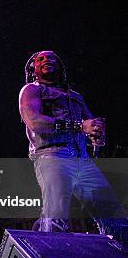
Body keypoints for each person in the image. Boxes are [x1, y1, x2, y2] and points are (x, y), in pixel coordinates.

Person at [18, 50, 126, 235]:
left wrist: (95, 133)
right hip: (52, 155)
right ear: (33, 68)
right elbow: (34, 122)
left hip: (82, 158)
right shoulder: (31, 90)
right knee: (57, 218)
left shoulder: (75, 96)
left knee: (113, 215)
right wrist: (80, 126)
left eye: (52, 58)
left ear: (60, 67)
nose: (47, 60)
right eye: (41, 59)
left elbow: (88, 123)